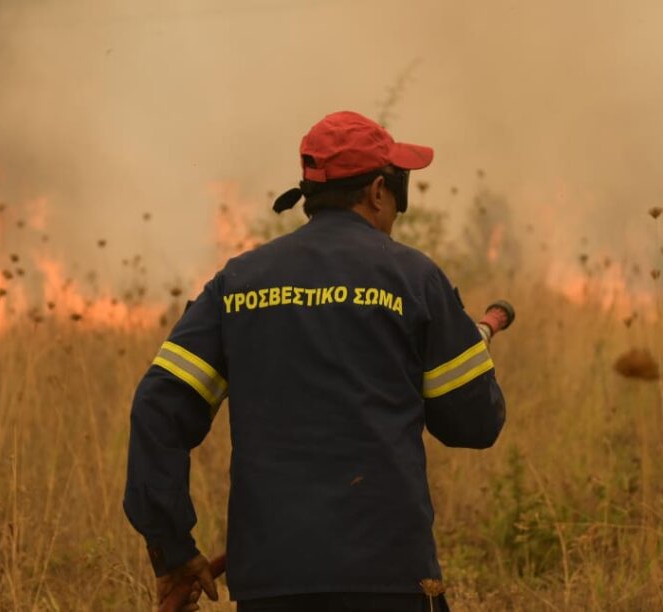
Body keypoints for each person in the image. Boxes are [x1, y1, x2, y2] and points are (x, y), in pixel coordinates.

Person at [123, 110, 507, 612]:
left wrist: (172, 550)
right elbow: (475, 424)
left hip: (271, 583)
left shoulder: (238, 283)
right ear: (378, 191)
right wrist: (463, 357)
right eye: (400, 189)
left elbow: (158, 409)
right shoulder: (414, 279)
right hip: (388, 578)